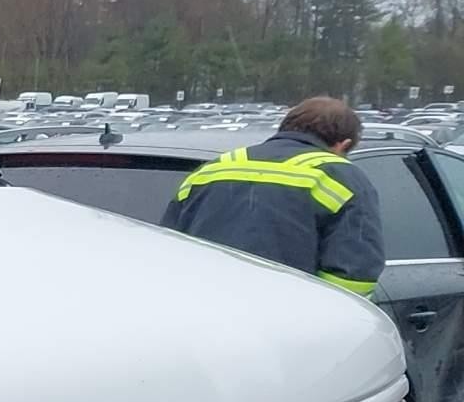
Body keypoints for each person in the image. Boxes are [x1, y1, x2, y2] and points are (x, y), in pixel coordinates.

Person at [162, 96, 382, 295]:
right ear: (343, 144)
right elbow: (353, 277)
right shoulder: (341, 177)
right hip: (284, 319)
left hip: (200, 311)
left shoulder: (213, 168)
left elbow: (167, 245)